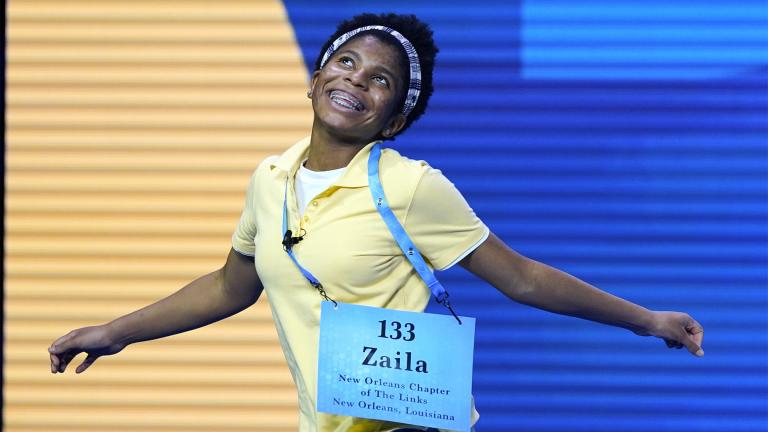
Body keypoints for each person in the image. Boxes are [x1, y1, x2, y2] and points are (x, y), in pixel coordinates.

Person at [48, 12, 705, 432]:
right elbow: (230, 287)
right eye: (346, 63)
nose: (356, 81)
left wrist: (647, 320)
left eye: (381, 81)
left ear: (394, 119)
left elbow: (524, 279)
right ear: (314, 80)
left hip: (407, 427)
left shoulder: (411, 186)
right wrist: (118, 331)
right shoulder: (269, 179)